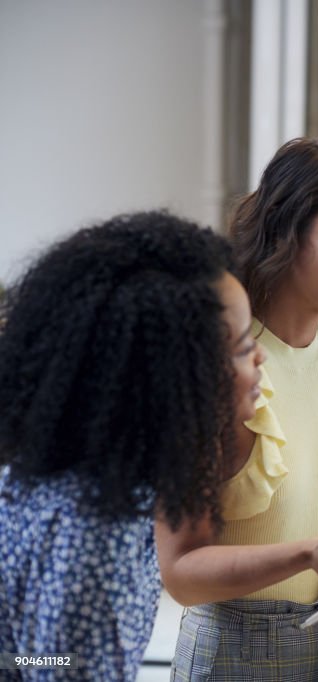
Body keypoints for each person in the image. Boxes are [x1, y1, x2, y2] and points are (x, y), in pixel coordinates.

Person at [157, 131, 318, 682]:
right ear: (287, 230)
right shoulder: (223, 361)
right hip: (234, 656)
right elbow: (181, 574)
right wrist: (305, 554)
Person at [0, 212, 265, 680]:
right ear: (176, 377)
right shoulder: (102, 536)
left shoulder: (51, 476)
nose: (260, 357)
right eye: (243, 347)